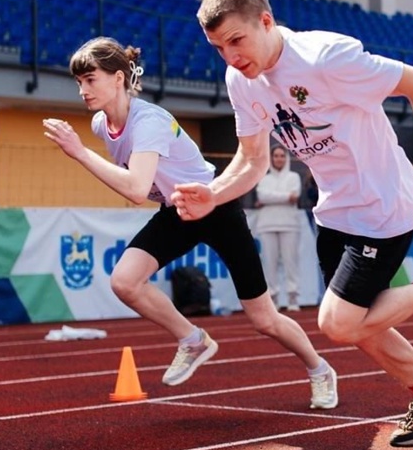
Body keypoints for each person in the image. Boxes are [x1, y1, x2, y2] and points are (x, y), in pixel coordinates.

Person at [171, 0, 413, 447]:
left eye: (236, 40)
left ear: (266, 22)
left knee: (338, 323)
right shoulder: (242, 80)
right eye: (218, 48)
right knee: (362, 325)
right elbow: (252, 161)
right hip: (334, 212)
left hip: (383, 206)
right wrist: (214, 194)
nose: (231, 57)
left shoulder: (325, 58)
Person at [42, 37, 339, 409]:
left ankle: (319, 369)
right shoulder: (103, 123)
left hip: (216, 207)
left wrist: (79, 152)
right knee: (124, 281)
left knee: (264, 319)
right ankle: (193, 338)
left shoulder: (147, 121)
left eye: (90, 80)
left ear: (118, 78)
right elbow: (142, 184)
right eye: (79, 83)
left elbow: (135, 189)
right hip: (177, 210)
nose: (83, 90)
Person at [255, 144, 303, 312]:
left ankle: (293, 298)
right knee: (270, 264)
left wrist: (269, 198)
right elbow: (262, 195)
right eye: (276, 156)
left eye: (282, 156)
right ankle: (273, 299)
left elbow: (295, 195)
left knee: (291, 262)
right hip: (267, 225)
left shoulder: (294, 176)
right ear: (271, 158)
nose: (279, 159)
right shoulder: (264, 178)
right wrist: (285, 197)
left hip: (289, 224)